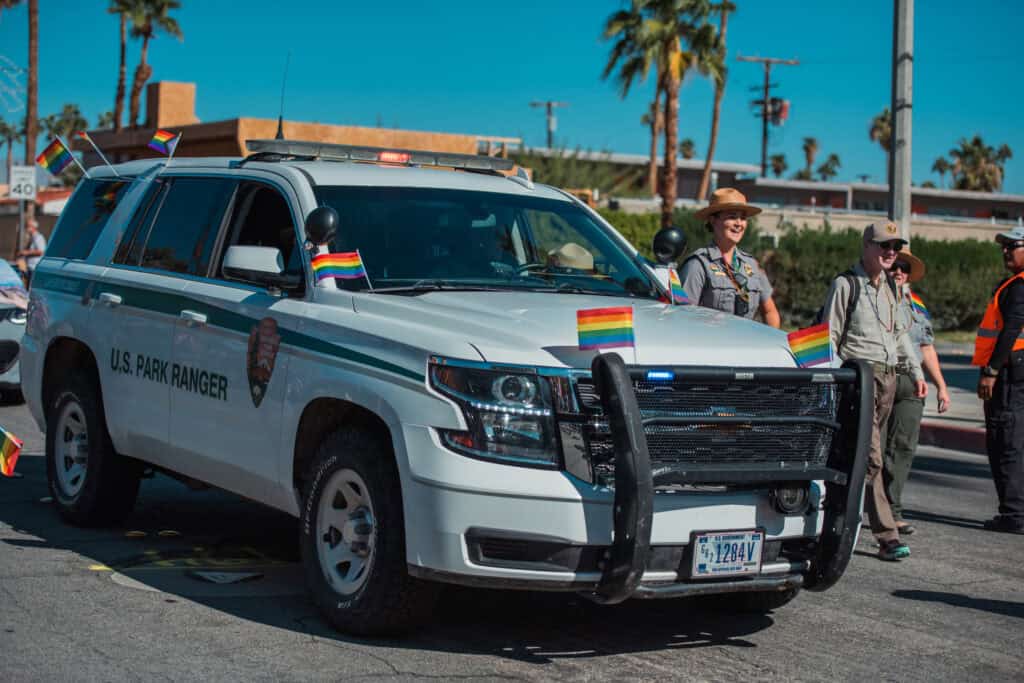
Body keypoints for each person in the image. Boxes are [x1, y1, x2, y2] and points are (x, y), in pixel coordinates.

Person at [823, 222, 927, 561]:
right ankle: (885, 535)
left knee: (858, 455)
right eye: (884, 246)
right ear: (866, 245)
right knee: (872, 456)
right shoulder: (846, 285)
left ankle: (831, 518)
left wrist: (916, 371)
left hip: (889, 378)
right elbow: (829, 336)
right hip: (860, 378)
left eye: (895, 246)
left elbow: (898, 336)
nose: (891, 252)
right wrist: (841, 381)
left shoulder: (893, 288)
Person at [883, 249, 951, 535]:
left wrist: (942, 386)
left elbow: (926, 347)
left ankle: (893, 510)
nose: (899, 271)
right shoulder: (871, 296)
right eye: (895, 266)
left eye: (905, 268)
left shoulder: (918, 305)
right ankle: (862, 506)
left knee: (903, 446)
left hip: (913, 381)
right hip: (882, 376)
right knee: (874, 447)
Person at [973, 226, 1024, 535]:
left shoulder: (1019, 286)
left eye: (1012, 246)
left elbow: (1011, 329)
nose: (1005, 252)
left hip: (1010, 374)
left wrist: (991, 371)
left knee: (1007, 443)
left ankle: (1014, 513)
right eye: (1003, 247)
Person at [681, 188, 780, 327]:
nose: (739, 223)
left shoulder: (752, 265)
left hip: (746, 346)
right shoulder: (698, 264)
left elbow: (770, 311)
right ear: (713, 220)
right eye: (732, 216)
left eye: (743, 218)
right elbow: (683, 317)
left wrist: (771, 343)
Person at [17, 219, 47, 285]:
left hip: (34, 268)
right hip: (30, 268)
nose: (26, 228)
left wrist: (26, 252)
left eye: (27, 226)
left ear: (33, 227)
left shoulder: (38, 237)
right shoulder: (32, 238)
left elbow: (41, 251)